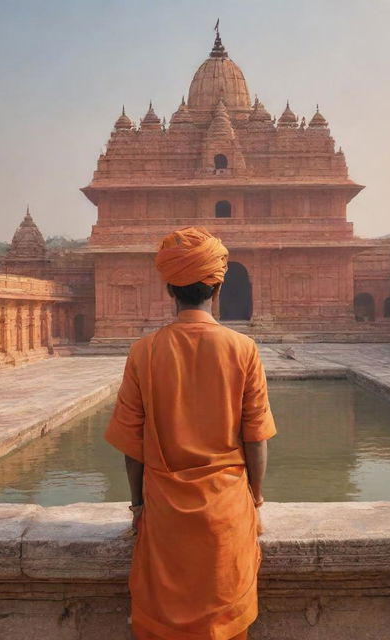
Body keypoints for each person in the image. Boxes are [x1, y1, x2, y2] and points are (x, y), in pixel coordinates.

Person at [104, 226, 276, 640]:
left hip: (165, 516)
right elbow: (255, 437)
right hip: (227, 510)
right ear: (217, 286)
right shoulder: (243, 348)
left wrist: (138, 506)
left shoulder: (143, 351)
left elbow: (132, 443)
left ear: (169, 290)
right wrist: (254, 497)